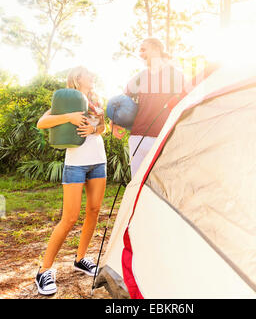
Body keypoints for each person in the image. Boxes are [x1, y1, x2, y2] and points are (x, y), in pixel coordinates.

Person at [35, 66, 106, 296]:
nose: (93, 77)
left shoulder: (96, 99)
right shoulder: (67, 101)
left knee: (94, 211)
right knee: (70, 218)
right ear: (77, 78)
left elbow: (102, 127)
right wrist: (69, 117)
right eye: (89, 74)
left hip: (98, 161)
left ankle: (81, 258)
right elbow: (41, 123)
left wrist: (96, 128)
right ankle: (43, 270)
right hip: (75, 164)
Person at [112, 38, 185, 178]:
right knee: (137, 184)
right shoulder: (140, 77)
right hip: (138, 138)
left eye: (143, 49)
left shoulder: (175, 75)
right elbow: (123, 99)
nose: (141, 54)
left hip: (164, 138)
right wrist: (114, 121)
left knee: (162, 185)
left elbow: (186, 102)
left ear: (156, 49)